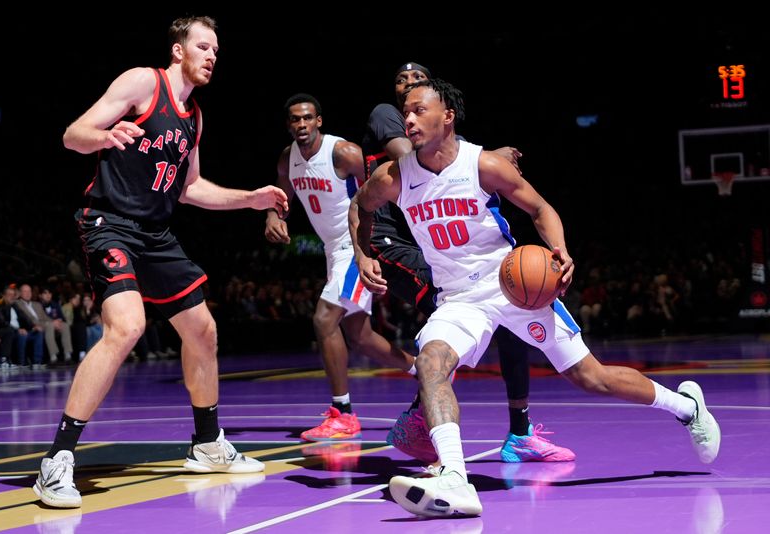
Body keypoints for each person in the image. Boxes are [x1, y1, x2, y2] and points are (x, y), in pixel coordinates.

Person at [353, 78, 720, 518]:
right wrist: (362, 254)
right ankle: (455, 477)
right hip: (458, 298)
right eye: (405, 112)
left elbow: (541, 210)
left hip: (511, 287)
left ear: (446, 116)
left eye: (418, 110)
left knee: (591, 377)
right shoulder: (393, 176)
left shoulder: (483, 165)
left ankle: (686, 406)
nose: (408, 119)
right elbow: (361, 207)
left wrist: (560, 250)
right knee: (431, 363)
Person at [33, 16, 288, 509]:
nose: (212, 55)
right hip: (109, 222)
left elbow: (191, 187)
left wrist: (250, 199)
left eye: (217, 49)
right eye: (203, 46)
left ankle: (208, 443)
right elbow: (73, 134)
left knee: (203, 330)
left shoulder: (194, 116)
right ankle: (57, 460)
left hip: (156, 233)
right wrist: (104, 137)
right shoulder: (142, 82)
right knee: (126, 327)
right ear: (178, 51)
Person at [359, 62, 573, 464]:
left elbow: (455, 161)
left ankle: (520, 430)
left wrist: (489, 161)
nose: (410, 84)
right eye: (401, 81)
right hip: (396, 241)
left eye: (418, 78)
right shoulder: (391, 118)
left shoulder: (442, 132)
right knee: (443, 328)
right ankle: (422, 421)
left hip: (444, 243)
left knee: (511, 311)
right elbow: (413, 157)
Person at [265, 93, 416, 441]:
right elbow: (282, 197)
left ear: (319, 121)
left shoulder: (343, 153)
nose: (301, 125)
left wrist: (377, 243)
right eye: (294, 119)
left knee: (323, 319)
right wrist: (274, 215)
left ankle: (343, 413)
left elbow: (382, 188)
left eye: (307, 118)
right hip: (333, 251)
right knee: (360, 338)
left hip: (356, 244)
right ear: (288, 124)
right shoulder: (287, 159)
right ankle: (419, 367)